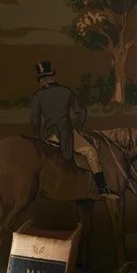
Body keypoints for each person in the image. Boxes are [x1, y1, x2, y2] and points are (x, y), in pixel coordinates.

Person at [30, 61, 105, 193]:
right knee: (90, 151)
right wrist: (77, 128)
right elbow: (81, 111)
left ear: (42, 80)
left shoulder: (37, 96)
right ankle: (102, 188)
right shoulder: (66, 92)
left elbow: (35, 120)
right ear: (52, 76)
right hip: (66, 133)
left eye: (40, 80)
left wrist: (38, 137)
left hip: (48, 136)